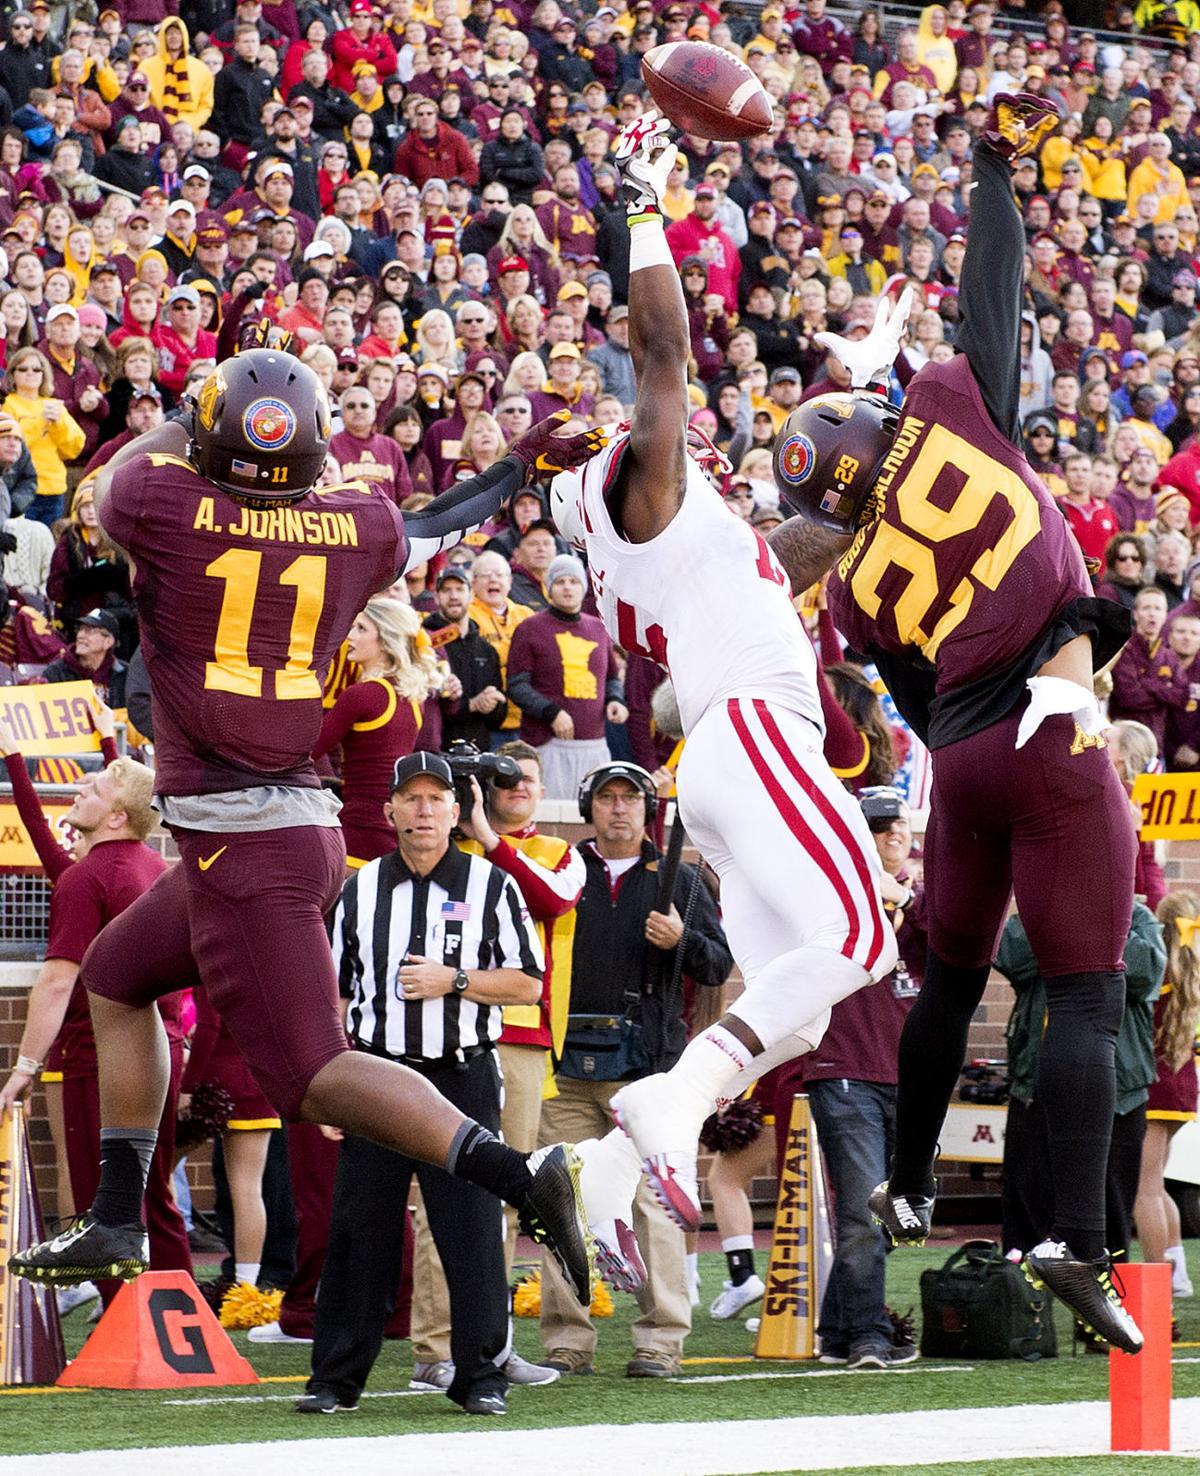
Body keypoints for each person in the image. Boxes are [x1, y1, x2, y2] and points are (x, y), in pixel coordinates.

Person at [10, 348, 606, 1306]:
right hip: (264, 829)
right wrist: (521, 462)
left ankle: (521, 1175)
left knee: (316, 1078)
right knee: (117, 979)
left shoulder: (162, 506)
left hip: (252, 846)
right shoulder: (354, 521)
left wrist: (199, 409)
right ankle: (120, 1211)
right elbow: (437, 521)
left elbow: (111, 482)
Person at [763, 94, 1142, 1353]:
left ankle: (915, 1180)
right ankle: (1074, 1242)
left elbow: (919, 709)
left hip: (966, 755)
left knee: (954, 975)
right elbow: (998, 295)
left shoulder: (854, 583)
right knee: (1084, 1000)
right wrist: (992, 170)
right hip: (1045, 735)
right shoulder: (949, 402)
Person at [544, 113, 895, 1263]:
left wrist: (865, 399)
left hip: (726, 767)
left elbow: (802, 543)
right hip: (758, 736)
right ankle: (670, 1102)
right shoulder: (643, 496)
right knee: (861, 934)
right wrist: (645, 206)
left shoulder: (670, 561)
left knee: (810, 992)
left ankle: (600, 1166)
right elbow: (661, 351)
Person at [301, 752, 545, 1418]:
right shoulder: (359, 887)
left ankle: (481, 1377)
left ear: (456, 810)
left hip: (459, 1075)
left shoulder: (495, 886)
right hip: (376, 1079)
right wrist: (329, 1085)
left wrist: (455, 980)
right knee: (358, 1233)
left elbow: (528, 982)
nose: (424, 809)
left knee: (470, 1232)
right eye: (411, 798)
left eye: (437, 798)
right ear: (389, 811)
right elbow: (331, 992)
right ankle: (335, 1379)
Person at [537, 762, 733, 1379]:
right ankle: (568, 1339)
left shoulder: (686, 881)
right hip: (565, 1064)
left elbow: (718, 967)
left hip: (648, 1068)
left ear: (647, 810)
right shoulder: (559, 871)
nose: (617, 809)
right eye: (606, 798)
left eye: (629, 799)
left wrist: (682, 939)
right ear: (588, 807)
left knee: (653, 1206)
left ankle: (661, 1340)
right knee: (560, 1201)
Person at [406, 740, 586, 1391]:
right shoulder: (435, 857)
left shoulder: (557, 853)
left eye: (524, 779)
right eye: (497, 779)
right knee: (442, 1193)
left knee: (508, 1196)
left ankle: (489, 1342)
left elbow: (554, 900)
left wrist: (487, 833)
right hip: (449, 1039)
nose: (512, 787)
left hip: (521, 1038)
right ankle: (433, 1347)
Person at [0, 706, 193, 1294]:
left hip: (101, 1055)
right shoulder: (154, 865)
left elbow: (58, 981)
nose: (77, 794)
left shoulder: (90, 879)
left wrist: (24, 1066)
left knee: (102, 1198)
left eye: (90, 788)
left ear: (114, 814)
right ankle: (179, 1309)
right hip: (165, 1050)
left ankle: (130, 1319)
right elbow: (116, 807)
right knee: (151, 1191)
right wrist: (104, 748)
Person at [800, 785, 926, 1370]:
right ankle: (871, 1337)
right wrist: (869, 894)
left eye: (899, 825)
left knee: (898, 1212)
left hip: (910, 1076)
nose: (892, 835)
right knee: (863, 1209)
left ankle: (838, 1332)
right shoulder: (830, 898)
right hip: (845, 1069)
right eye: (878, 827)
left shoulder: (926, 898)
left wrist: (904, 897)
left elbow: (967, 942)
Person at [312, 597, 440, 868]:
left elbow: (308, 750)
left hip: (359, 828)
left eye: (361, 629)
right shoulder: (411, 698)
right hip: (393, 828)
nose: (350, 636)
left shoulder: (363, 694)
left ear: (385, 639)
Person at [506, 553, 627, 800]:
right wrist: (551, 712)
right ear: (550, 588)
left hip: (594, 743)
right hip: (548, 744)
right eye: (560, 582)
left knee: (591, 817)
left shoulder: (598, 628)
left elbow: (612, 678)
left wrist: (616, 700)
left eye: (573, 581)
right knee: (550, 817)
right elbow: (517, 685)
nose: (568, 587)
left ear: (584, 586)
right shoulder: (530, 628)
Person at [1134, 891, 1200, 1305]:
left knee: (1143, 1190)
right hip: (1183, 1083)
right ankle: (1176, 1276)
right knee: (1158, 1186)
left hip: (1156, 1083)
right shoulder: (1191, 965)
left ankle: (1157, 1289)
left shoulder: (1159, 967)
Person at [425, 566, 507, 750]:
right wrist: (470, 705)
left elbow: (500, 717)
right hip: (437, 750)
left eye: (460, 589)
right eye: (446, 590)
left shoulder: (486, 649)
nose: (453, 596)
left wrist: (493, 704)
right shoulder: (425, 644)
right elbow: (426, 706)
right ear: (436, 598)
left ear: (471, 595)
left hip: (479, 751)